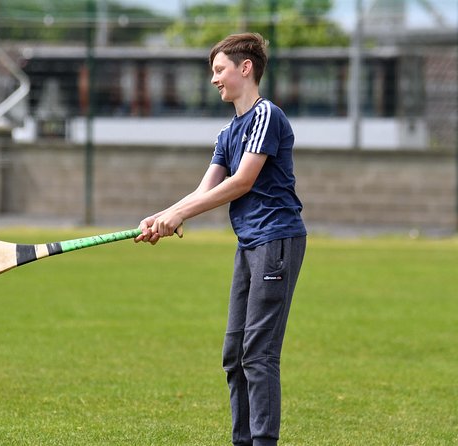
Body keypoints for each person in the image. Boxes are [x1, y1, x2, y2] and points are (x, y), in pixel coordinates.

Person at [135, 32, 306, 446]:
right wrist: (162, 216)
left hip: (276, 240)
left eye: (219, 70)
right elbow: (204, 189)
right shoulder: (228, 132)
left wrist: (179, 214)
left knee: (258, 353)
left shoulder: (267, 115)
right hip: (249, 244)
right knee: (234, 354)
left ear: (245, 68)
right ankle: (242, 440)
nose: (214, 79)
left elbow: (241, 182)